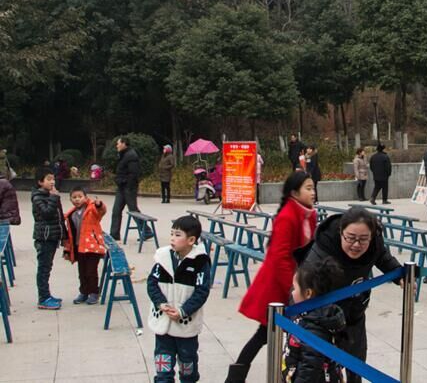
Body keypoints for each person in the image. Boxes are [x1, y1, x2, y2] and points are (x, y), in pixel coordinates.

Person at [226, 171, 318, 382]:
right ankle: (236, 377)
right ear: (295, 192)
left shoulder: (309, 214)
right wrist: (294, 289)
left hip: (297, 284)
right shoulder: (287, 215)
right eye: (308, 188)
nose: (313, 192)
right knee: (265, 333)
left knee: (284, 334)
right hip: (278, 286)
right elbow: (279, 256)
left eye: (313, 188)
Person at [302, 207, 401, 383]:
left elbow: (383, 258)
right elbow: (306, 283)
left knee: (356, 364)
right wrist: (322, 314)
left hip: (355, 311)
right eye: (351, 238)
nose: (356, 245)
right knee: (326, 370)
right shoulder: (324, 245)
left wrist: (399, 274)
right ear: (341, 232)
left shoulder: (375, 244)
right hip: (324, 317)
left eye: (363, 239)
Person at [146, 215, 211, 383]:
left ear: (191, 240)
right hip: (163, 322)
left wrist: (183, 311)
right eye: (172, 234)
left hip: (185, 325)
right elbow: (152, 283)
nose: (172, 239)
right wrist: (161, 303)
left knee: (187, 365)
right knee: (163, 366)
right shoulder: (163, 258)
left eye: (177, 235)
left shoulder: (200, 262)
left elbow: (201, 292)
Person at [282, 257, 346, 383]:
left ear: (308, 293)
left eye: (294, 288)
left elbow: (309, 369)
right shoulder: (309, 315)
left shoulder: (314, 328)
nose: (292, 292)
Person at [62, 186, 106, 305]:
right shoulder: (71, 214)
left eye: (80, 197)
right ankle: (84, 292)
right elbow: (70, 233)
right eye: (74, 197)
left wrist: (99, 204)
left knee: (91, 271)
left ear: (86, 198)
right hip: (79, 246)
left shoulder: (92, 209)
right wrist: (68, 248)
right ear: (70, 199)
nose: (77, 199)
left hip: (92, 246)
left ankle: (94, 292)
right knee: (82, 271)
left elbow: (101, 211)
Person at [32, 165, 65, 309]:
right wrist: (53, 198)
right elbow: (46, 213)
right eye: (49, 179)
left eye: (53, 179)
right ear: (40, 182)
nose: (52, 182)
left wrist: (63, 234)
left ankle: (47, 295)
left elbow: (58, 216)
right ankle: (43, 298)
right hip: (44, 238)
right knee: (44, 268)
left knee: (47, 267)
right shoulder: (38, 197)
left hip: (52, 236)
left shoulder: (50, 195)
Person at [110, 137, 148, 240]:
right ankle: (114, 234)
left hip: (128, 188)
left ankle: (147, 231)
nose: (116, 146)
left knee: (133, 210)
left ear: (124, 144)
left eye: (118, 143)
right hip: (121, 187)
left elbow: (134, 174)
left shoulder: (131, 155)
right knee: (116, 210)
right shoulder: (124, 155)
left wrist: (125, 183)